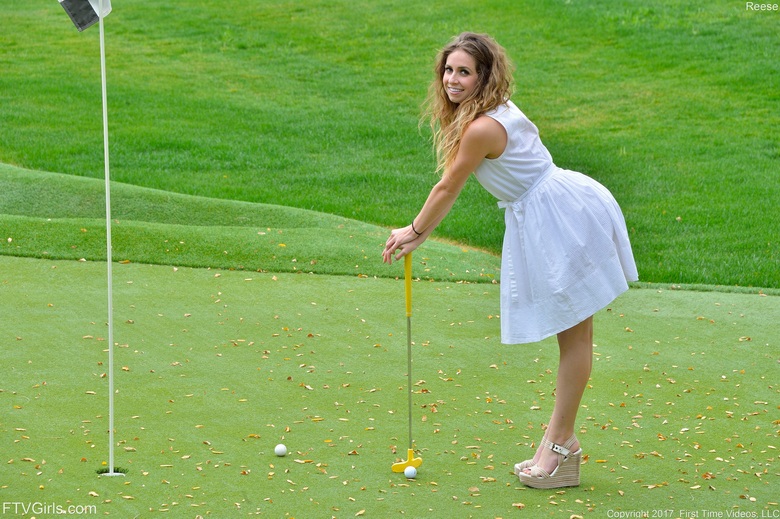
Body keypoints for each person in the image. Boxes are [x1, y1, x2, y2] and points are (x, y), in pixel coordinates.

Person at [382, 32, 638, 489]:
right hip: (556, 211)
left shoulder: (481, 128)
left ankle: (561, 446)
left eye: (464, 72)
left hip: (560, 218)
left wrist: (415, 232)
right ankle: (558, 443)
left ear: (483, 76)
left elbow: (448, 187)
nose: (452, 79)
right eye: (448, 70)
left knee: (575, 337)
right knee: (574, 336)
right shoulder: (489, 111)